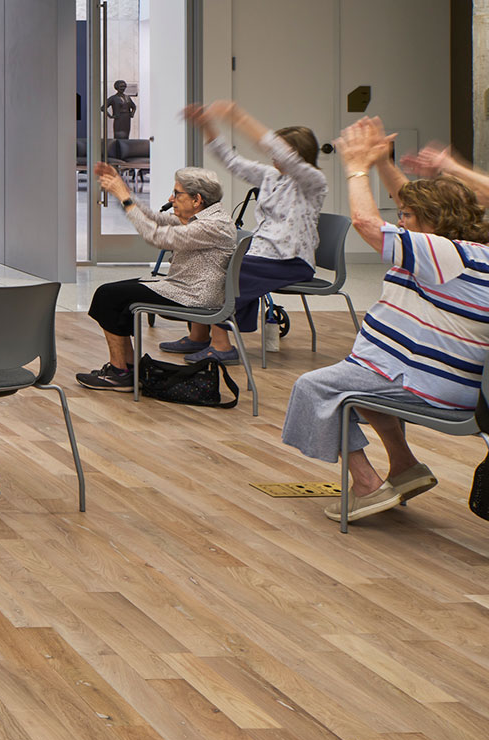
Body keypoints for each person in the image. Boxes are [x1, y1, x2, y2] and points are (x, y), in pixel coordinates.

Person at [281, 117, 489, 522]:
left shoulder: (442, 255)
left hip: (428, 382)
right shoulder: (468, 248)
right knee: (360, 373)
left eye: (407, 216)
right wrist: (382, 164)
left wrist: (357, 166)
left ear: (429, 223)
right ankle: (405, 466)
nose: (401, 219)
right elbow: (414, 205)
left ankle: (366, 485)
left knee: (315, 388)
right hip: (426, 374)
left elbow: (366, 224)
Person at [163, 101, 327, 362]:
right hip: (264, 254)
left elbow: (281, 155)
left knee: (223, 275)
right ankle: (199, 335)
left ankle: (222, 346)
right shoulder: (272, 176)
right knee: (210, 261)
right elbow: (232, 162)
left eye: (282, 150)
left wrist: (237, 117)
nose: (274, 156)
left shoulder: (313, 182)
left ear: (297, 153)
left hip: (290, 261)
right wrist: (207, 125)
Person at [76, 165, 235, 391]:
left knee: (108, 295)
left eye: (177, 194)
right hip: (183, 287)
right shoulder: (205, 217)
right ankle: (126, 369)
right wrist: (125, 193)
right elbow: (154, 219)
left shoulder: (212, 226)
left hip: (192, 295)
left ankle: (120, 371)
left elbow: (156, 235)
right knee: (114, 296)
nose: (171, 198)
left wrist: (125, 198)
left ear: (197, 199)